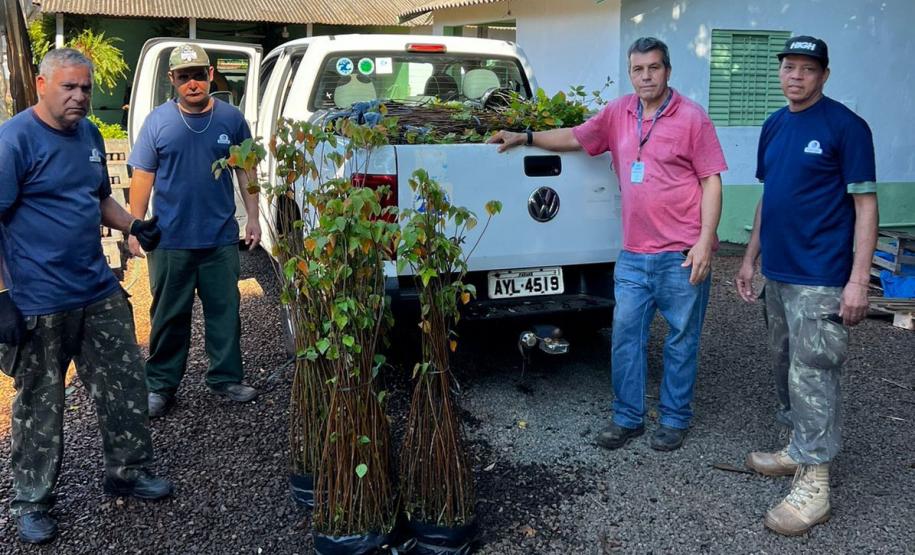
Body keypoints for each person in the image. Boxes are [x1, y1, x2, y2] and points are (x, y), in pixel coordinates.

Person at [489, 37, 726, 451]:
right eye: (638, 69)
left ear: (667, 71)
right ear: (630, 72)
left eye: (654, 68)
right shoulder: (619, 113)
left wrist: (705, 241)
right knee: (625, 336)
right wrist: (525, 136)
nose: (646, 76)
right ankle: (628, 418)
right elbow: (577, 137)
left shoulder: (692, 118)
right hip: (634, 254)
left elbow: (711, 180)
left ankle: (674, 418)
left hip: (681, 253)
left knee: (681, 339)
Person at [0, 48, 173, 545]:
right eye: (68, 87)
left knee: (123, 384)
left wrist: (134, 224)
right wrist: (2, 295)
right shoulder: (14, 141)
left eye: (85, 88)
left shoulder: (90, 137)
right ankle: (32, 500)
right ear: (41, 84)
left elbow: (98, 200)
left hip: (96, 288)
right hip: (38, 301)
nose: (79, 97)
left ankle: (128, 470)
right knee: (39, 403)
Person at [735, 35, 877, 536]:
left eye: (806, 69)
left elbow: (865, 207)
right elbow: (768, 197)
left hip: (821, 277)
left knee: (814, 372)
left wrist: (858, 280)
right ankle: (796, 447)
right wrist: (751, 256)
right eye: (788, 67)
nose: (795, 76)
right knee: (783, 366)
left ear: (824, 75)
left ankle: (815, 482)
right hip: (779, 271)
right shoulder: (775, 125)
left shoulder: (847, 127)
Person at [127, 43, 261, 418]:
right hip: (170, 240)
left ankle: (226, 377)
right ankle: (161, 385)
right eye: (184, 77)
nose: (192, 83)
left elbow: (246, 169)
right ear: (172, 80)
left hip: (219, 238)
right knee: (169, 316)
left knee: (225, 311)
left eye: (198, 75)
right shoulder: (158, 122)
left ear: (211, 75)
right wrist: (135, 226)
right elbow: (143, 175)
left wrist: (252, 217)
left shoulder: (231, 119)